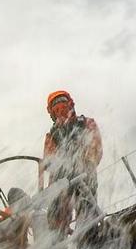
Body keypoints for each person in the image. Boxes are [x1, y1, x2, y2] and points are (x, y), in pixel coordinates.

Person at [39, 90, 104, 234]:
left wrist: (82, 163)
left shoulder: (87, 123)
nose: (60, 110)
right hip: (61, 180)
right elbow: (48, 162)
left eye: (63, 105)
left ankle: (88, 238)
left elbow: (95, 150)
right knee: (56, 216)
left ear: (70, 105)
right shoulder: (52, 136)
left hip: (85, 175)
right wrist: (60, 169)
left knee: (87, 211)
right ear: (52, 113)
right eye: (56, 108)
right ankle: (57, 242)